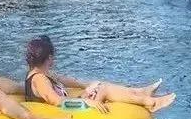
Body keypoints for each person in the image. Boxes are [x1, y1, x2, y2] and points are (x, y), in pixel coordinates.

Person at [23, 35, 176, 114]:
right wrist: (88, 102)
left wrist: (87, 86)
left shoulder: (43, 73)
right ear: (49, 58)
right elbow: (57, 102)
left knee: (99, 85)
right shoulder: (39, 79)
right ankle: (151, 103)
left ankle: (141, 92)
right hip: (66, 111)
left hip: (71, 104)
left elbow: (66, 80)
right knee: (105, 90)